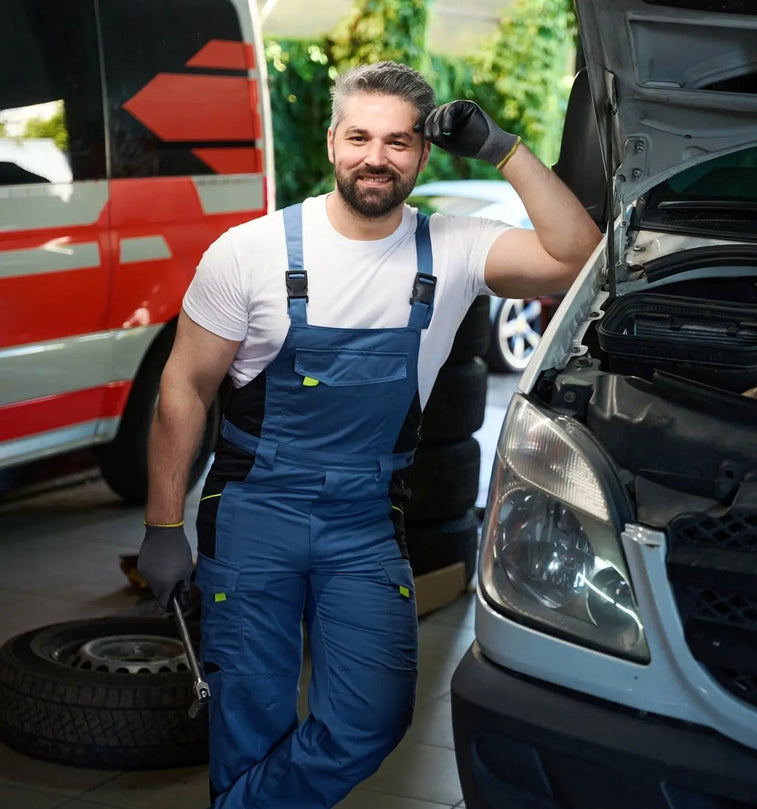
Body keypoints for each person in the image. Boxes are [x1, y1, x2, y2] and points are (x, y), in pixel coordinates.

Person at [134, 61, 600, 809]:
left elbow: (580, 253)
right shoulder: (249, 252)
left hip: (365, 522)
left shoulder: (451, 250)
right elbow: (183, 389)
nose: (375, 156)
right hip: (256, 510)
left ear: (421, 154)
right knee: (247, 718)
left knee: (372, 719)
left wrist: (504, 149)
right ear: (331, 142)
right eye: (359, 136)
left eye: (398, 141)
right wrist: (163, 524)